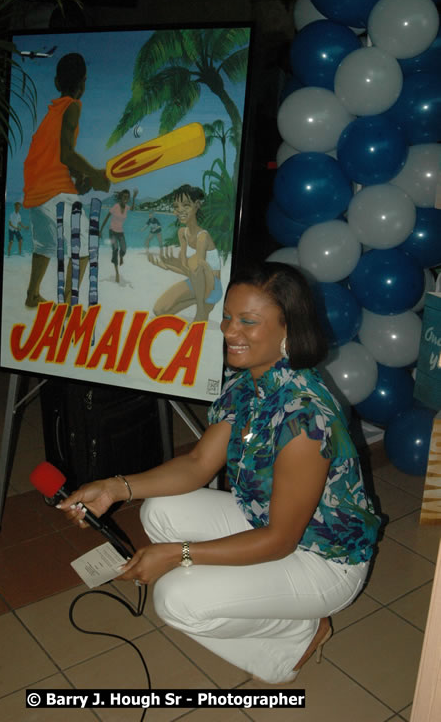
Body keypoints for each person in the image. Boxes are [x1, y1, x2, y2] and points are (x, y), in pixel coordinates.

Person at [58, 261, 381, 684]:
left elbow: (280, 541)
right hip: (271, 525)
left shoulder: (305, 419)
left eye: (248, 322)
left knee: (175, 599)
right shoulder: (250, 384)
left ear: (289, 330)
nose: (230, 332)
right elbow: (196, 465)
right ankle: (249, 594)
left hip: (324, 560)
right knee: (158, 511)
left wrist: (178, 554)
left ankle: (299, 632)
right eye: (227, 317)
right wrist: (115, 488)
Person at [23, 52, 111, 308]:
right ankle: (70, 309)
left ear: (56, 82)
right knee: (85, 245)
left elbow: (56, 157)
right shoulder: (73, 106)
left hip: (35, 189)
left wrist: (81, 179)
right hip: (52, 189)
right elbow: (66, 153)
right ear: (83, 83)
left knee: (45, 244)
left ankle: (31, 294)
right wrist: (95, 174)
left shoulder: (52, 114)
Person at [149, 185, 222, 322]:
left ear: (197, 205)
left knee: (195, 261)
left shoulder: (203, 236)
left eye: (186, 205)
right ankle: (196, 301)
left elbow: (198, 268)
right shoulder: (182, 233)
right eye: (176, 206)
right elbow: (189, 271)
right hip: (196, 285)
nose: (180, 210)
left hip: (212, 287)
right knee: (159, 310)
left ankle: (201, 310)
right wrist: (168, 266)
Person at [100, 188, 138, 283]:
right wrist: (100, 230)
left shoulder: (126, 207)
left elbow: (133, 209)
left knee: (124, 249)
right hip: (112, 231)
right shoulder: (116, 206)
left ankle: (121, 257)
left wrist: (133, 198)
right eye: (124, 197)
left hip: (120, 232)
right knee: (115, 249)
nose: (126, 199)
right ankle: (117, 273)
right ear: (121, 197)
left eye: (127, 197)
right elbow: (106, 218)